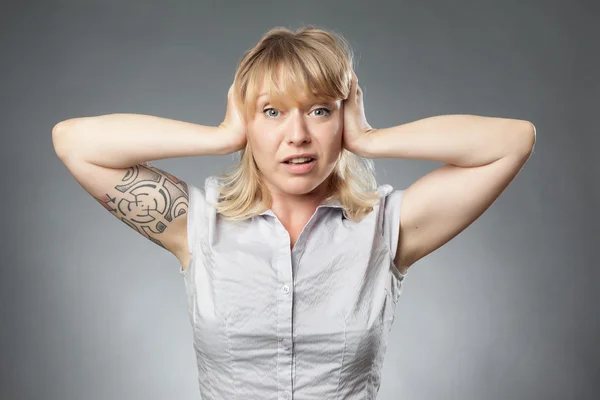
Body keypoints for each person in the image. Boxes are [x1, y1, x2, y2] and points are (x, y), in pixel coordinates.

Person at [52, 26, 535, 399]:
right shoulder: (197, 225)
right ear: (248, 122)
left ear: (342, 118)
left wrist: (369, 139)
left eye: (320, 110)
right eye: (272, 112)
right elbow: (73, 142)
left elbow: (512, 141)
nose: (298, 134)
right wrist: (221, 135)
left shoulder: (388, 227)